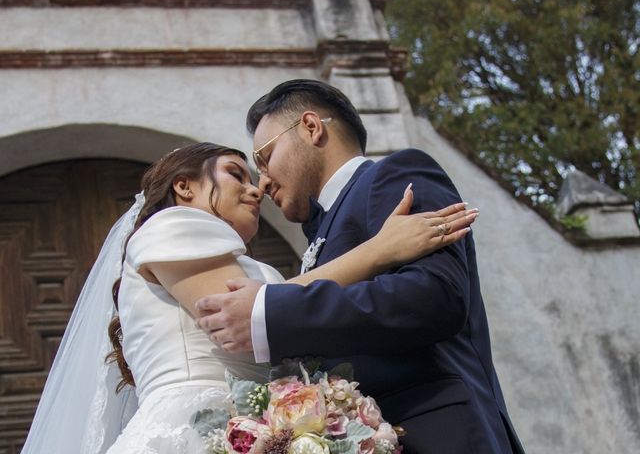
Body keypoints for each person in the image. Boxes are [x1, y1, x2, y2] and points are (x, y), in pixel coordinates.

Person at [22, 142, 476, 454]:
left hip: (257, 428)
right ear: (185, 187)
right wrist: (380, 250)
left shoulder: (255, 268)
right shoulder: (172, 226)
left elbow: (276, 310)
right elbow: (235, 318)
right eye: (237, 174)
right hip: (193, 427)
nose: (256, 188)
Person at [195, 79, 526, 454]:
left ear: (310, 127)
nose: (264, 181)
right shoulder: (319, 233)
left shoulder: (395, 175)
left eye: (264, 158)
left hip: (437, 433)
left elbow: (433, 297)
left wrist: (271, 312)